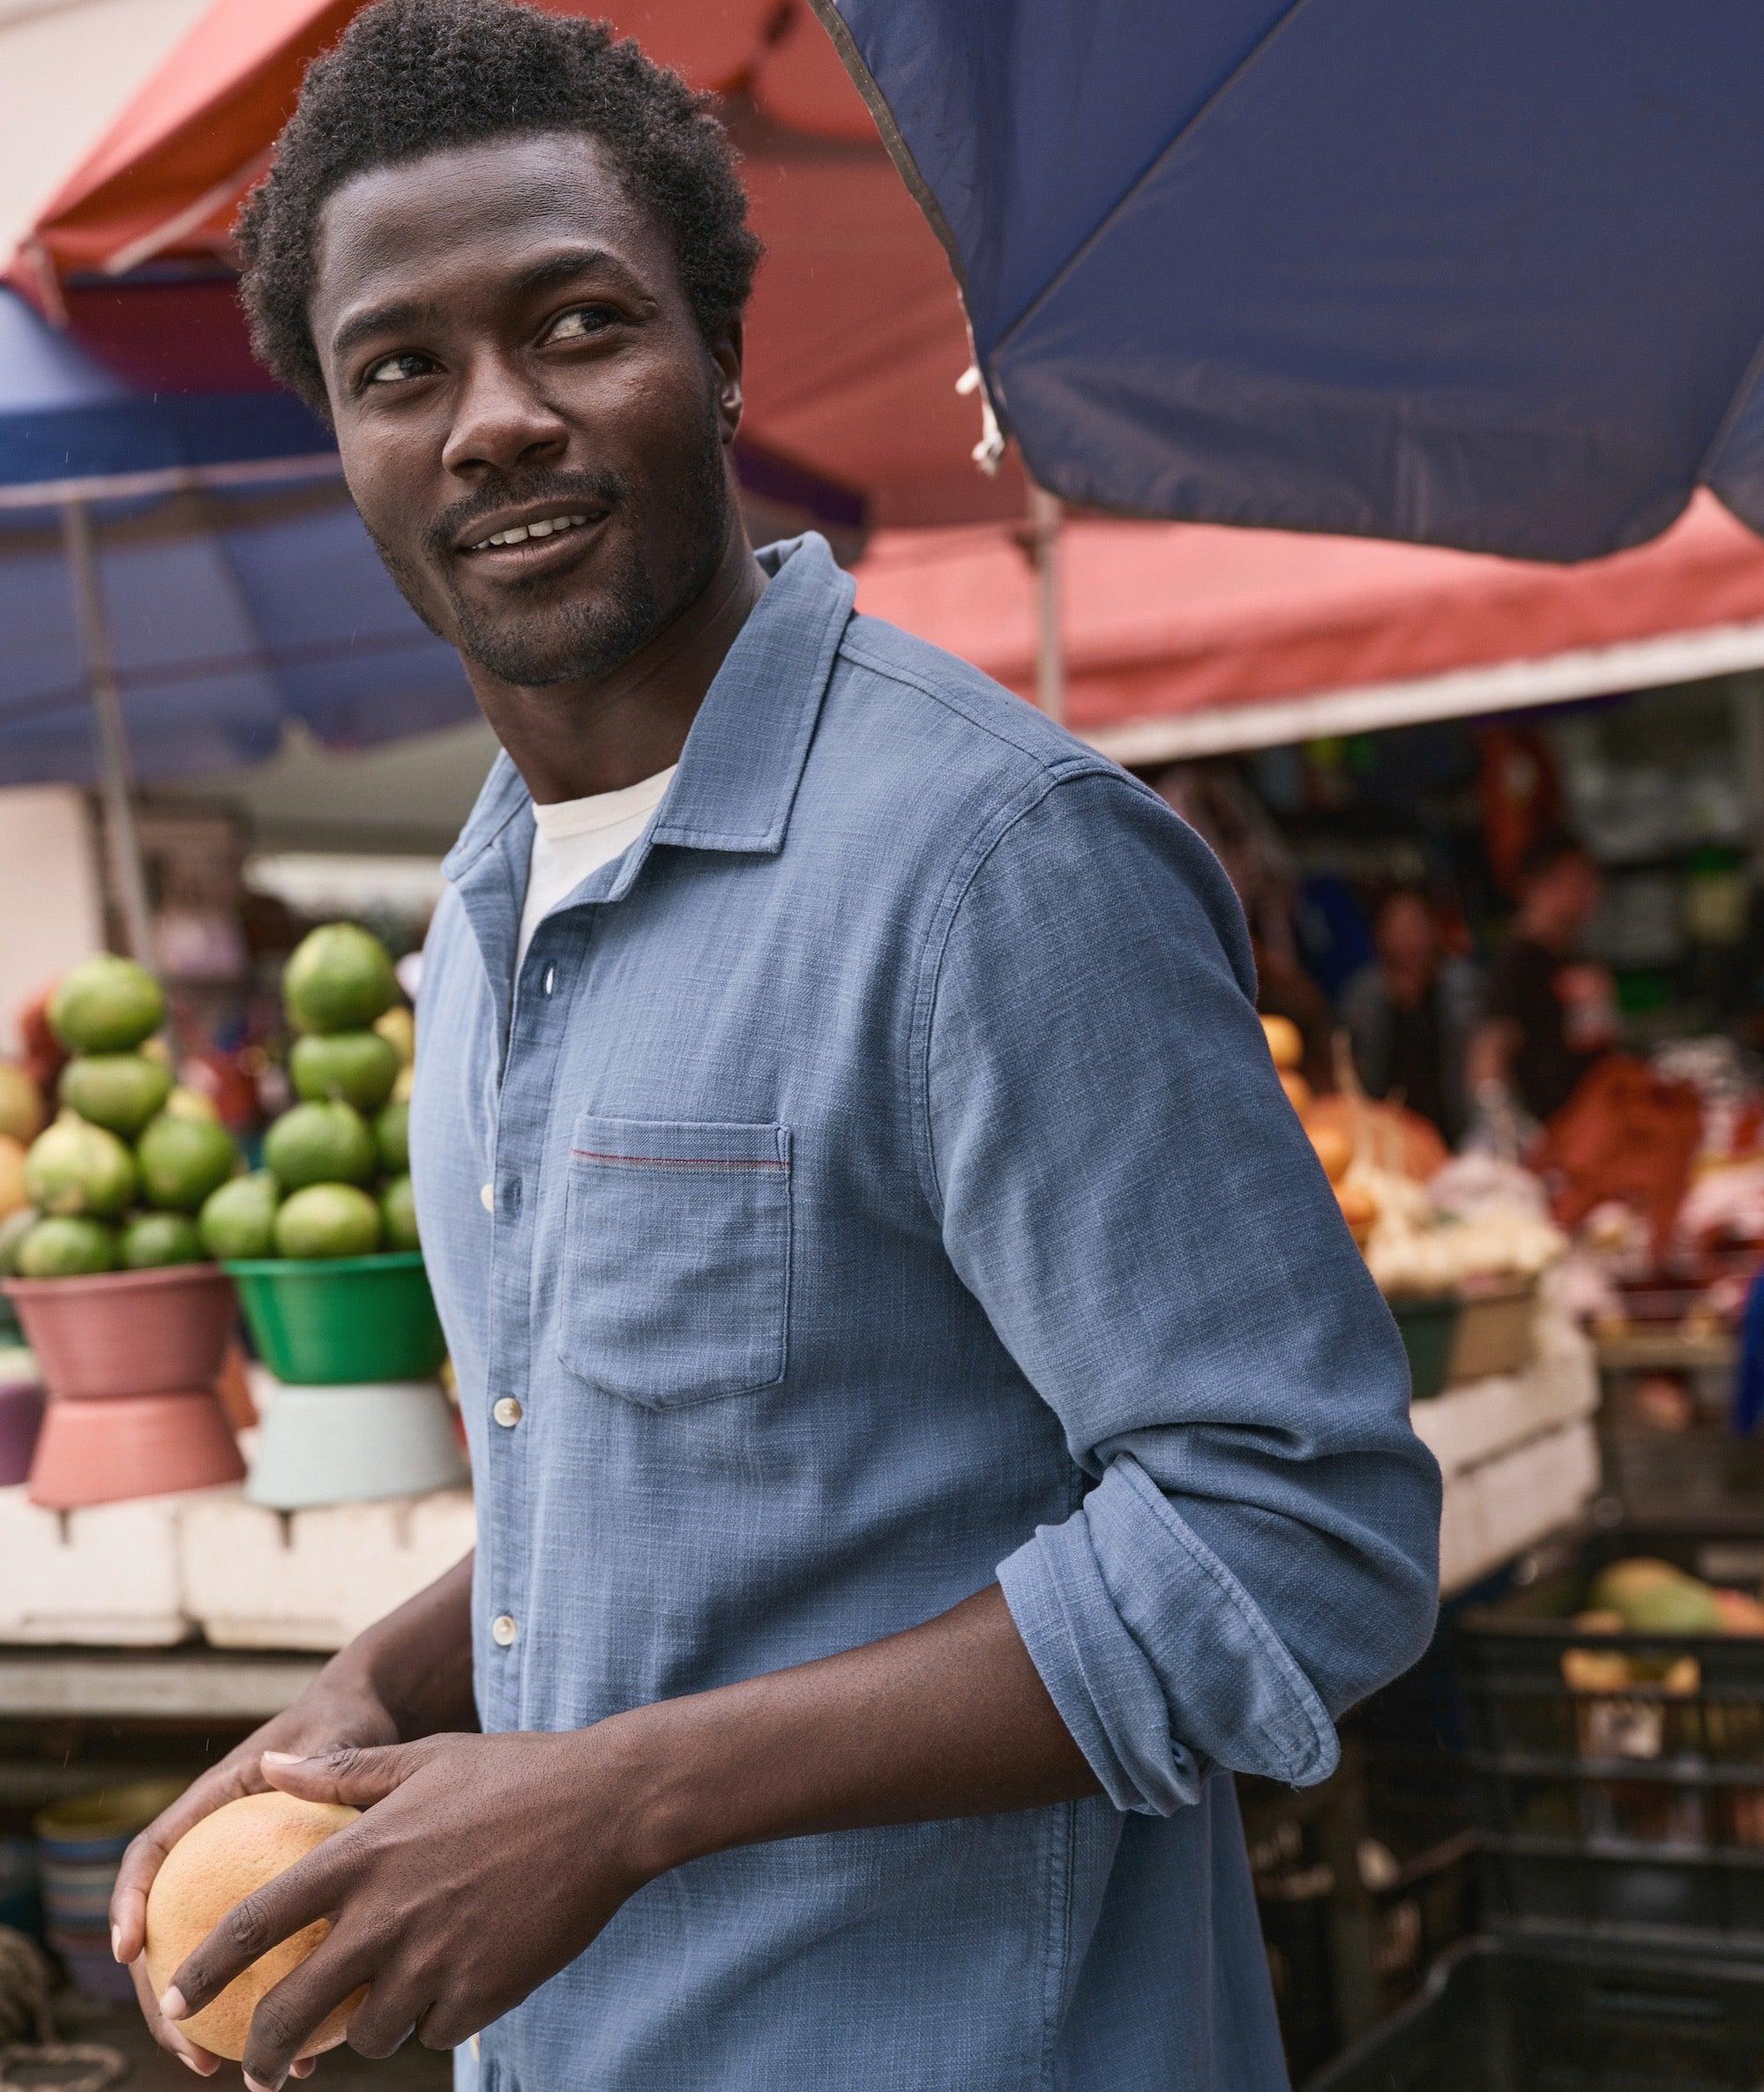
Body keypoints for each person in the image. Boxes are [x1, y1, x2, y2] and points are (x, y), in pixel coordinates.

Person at [108, 8, 1440, 2089]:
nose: (492, 422)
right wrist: (377, 1674)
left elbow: (1296, 1532)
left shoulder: (993, 864)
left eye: (572, 324)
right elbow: (670, 1468)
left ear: (717, 357)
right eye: (401, 371)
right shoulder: (473, 923)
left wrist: (613, 1795)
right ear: (342, 437)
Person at [1470, 831, 1614, 1129]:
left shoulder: (1575, 955)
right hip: (1547, 1136)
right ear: (1540, 886)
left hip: (1589, 1124)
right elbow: (1489, 1053)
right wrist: (1504, 1123)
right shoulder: (1517, 963)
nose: (1590, 893)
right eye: (1577, 881)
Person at [1341, 886, 1481, 1145]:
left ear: (1434, 930)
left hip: (1455, 1136)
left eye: (1416, 924)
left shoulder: (1462, 990)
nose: (1408, 938)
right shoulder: (1362, 999)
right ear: (1379, 934)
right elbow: (1351, 1075)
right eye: (1398, 927)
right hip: (1383, 1138)